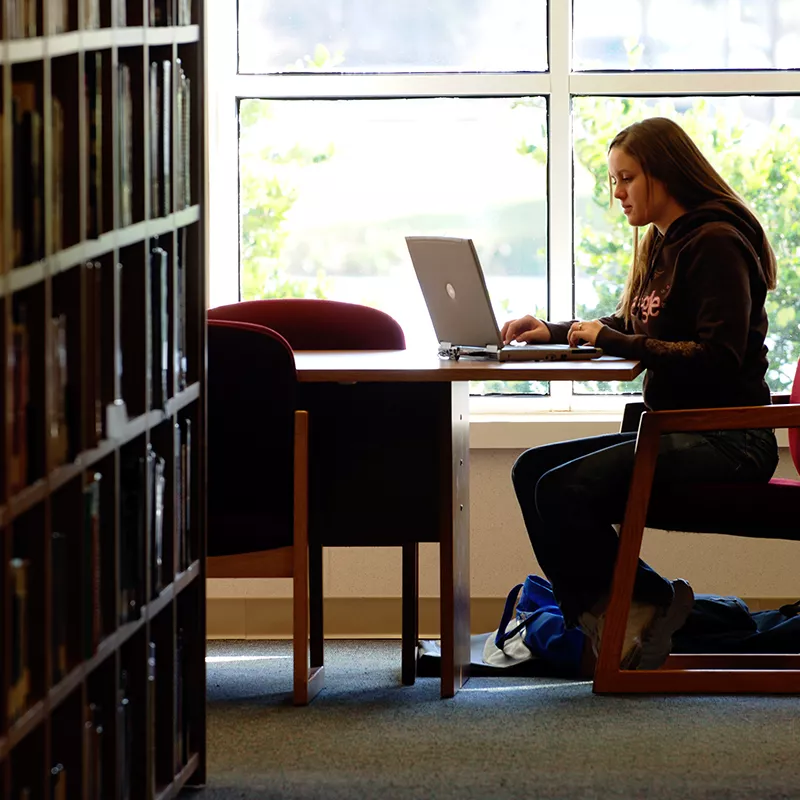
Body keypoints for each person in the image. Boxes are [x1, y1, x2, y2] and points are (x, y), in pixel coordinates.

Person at [501, 116, 780, 670]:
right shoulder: (663, 242)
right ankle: (642, 609)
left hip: (729, 439)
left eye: (626, 178)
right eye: (612, 181)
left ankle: (635, 613)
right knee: (530, 470)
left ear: (665, 174)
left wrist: (618, 339)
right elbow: (635, 323)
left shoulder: (717, 243)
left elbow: (718, 357)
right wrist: (557, 332)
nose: (618, 193)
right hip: (675, 431)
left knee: (561, 490)